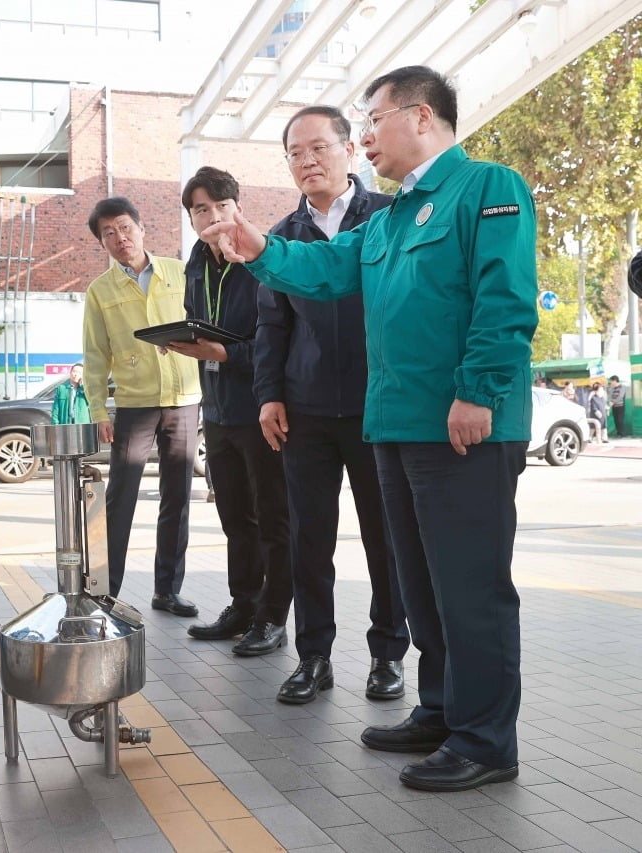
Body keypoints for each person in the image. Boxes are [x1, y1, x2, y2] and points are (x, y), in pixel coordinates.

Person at [205, 66, 538, 793]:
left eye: (372, 120)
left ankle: (486, 739)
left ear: (421, 117)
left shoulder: (487, 188)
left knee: (470, 588)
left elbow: (506, 300)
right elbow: (322, 269)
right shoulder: (386, 219)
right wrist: (262, 248)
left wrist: (478, 391)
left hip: (461, 428)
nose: (363, 137)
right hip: (395, 427)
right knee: (423, 587)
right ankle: (443, 709)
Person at [251, 106, 409, 704]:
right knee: (309, 542)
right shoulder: (281, 240)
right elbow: (271, 327)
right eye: (295, 153)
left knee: (386, 540)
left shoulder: (392, 220)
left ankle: (387, 655)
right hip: (307, 413)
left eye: (318, 148)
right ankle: (313, 656)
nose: (307, 160)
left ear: (349, 150)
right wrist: (269, 395)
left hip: (379, 410)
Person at [168, 167, 292, 657]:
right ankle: (244, 604)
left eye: (221, 206)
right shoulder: (196, 260)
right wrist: (181, 340)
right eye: (201, 209)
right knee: (235, 518)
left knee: (274, 519)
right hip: (216, 412)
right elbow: (200, 322)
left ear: (238, 206)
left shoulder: (261, 256)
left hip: (260, 408)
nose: (213, 216)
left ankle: (273, 616)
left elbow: (276, 335)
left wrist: (225, 355)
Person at [82, 197, 202, 614]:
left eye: (124, 227)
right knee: (120, 497)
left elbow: (202, 323)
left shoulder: (179, 271)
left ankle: (167, 590)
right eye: (108, 234)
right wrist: (98, 410)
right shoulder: (100, 291)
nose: (119, 238)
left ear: (141, 226)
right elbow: (95, 355)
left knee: (178, 498)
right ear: (102, 243)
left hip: (184, 400)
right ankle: (104, 590)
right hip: (134, 404)